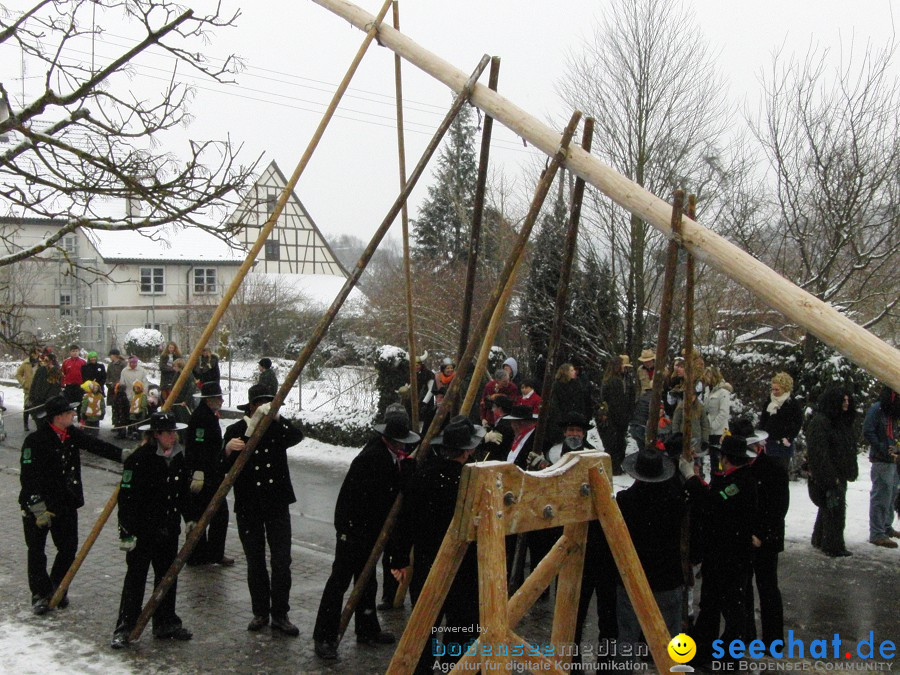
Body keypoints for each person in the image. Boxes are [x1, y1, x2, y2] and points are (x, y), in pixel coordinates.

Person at [313, 404, 417, 660]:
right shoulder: (371, 458)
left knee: (368, 581)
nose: (403, 446)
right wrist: (347, 532)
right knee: (340, 582)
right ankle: (324, 636)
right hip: (354, 530)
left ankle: (367, 629)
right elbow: (354, 500)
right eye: (399, 442)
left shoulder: (393, 456)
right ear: (388, 438)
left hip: (372, 530)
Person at [391, 415, 484, 674]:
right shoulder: (472, 482)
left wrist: (398, 558)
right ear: (466, 452)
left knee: (425, 627)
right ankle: (455, 668)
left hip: (427, 563)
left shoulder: (424, 476)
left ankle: (424, 668)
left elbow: (405, 519)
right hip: (462, 567)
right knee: (461, 629)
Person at [19, 394, 122, 615]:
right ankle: (40, 593)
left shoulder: (70, 434)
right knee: (37, 551)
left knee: (68, 549)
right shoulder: (35, 441)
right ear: (58, 417)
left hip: (65, 502)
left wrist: (123, 455)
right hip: (38, 506)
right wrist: (37, 508)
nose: (73, 415)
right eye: (69, 413)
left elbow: (96, 446)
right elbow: (28, 478)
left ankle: (57, 587)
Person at [224, 384, 304, 635]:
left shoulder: (277, 428)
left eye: (271, 403)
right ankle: (260, 612)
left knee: (282, 561)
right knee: (255, 561)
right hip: (249, 506)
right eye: (262, 403)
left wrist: (277, 417)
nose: (266, 407)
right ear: (251, 406)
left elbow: (296, 436)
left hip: (276, 504)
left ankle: (281, 614)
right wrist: (227, 449)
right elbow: (222, 467)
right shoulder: (236, 430)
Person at [111, 412, 194, 648]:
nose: (173, 436)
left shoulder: (178, 457)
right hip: (143, 532)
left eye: (174, 432)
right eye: (169, 433)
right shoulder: (138, 459)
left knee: (167, 578)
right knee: (136, 579)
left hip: (168, 530)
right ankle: (125, 627)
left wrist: (190, 518)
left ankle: (165, 622)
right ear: (156, 435)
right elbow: (126, 500)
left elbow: (182, 493)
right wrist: (126, 531)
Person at [689, 435, 758, 667]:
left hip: (730, 555)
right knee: (711, 605)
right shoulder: (734, 478)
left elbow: (714, 502)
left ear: (727, 459)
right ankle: (705, 651)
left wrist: (692, 480)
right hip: (720, 554)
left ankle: (729, 655)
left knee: (731, 608)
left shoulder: (739, 483)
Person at [616, 443, 684, 644]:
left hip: (634, 575)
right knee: (672, 639)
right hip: (667, 576)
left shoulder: (625, 500)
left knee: (627, 637)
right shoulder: (675, 501)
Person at [732, 418, 789, 647]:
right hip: (744, 537)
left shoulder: (774, 470)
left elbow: (778, 508)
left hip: (766, 538)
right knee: (743, 588)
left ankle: (773, 639)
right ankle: (746, 635)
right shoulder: (740, 468)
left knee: (767, 588)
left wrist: (762, 535)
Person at [185, 381, 234, 567]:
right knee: (215, 513)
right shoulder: (201, 418)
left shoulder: (207, 415)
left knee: (206, 514)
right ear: (210, 399)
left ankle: (201, 553)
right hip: (205, 475)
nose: (221, 400)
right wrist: (198, 471)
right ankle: (206, 553)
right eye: (218, 398)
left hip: (210, 472)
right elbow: (198, 447)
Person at [806, 389, 858, 556]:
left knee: (829, 507)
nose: (846, 404)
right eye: (843, 400)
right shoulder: (821, 422)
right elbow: (819, 453)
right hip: (828, 473)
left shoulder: (838, 421)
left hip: (837, 472)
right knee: (834, 509)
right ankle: (833, 545)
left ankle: (820, 538)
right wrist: (829, 478)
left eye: (848, 400)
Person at [863, 386, 900, 548]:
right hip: (881, 460)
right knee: (881, 495)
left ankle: (886, 526)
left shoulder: (895, 412)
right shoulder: (877, 409)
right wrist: (882, 447)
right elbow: (868, 431)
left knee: (892, 494)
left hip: (894, 460)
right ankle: (877, 532)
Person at [759, 372, 804, 476]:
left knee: (781, 474)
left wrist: (789, 437)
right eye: (773, 389)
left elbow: (798, 422)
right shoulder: (769, 401)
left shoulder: (792, 403)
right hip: (768, 443)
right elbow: (763, 420)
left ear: (785, 389)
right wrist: (761, 436)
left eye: (777, 389)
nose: (774, 392)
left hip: (783, 444)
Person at [600, 356, 630, 475]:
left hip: (615, 415)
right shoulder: (614, 381)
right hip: (616, 416)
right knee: (616, 443)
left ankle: (615, 466)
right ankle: (615, 467)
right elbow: (616, 401)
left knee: (615, 442)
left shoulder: (610, 380)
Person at [703, 365, 732, 473]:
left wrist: (714, 425)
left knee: (718, 458)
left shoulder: (723, 392)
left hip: (719, 431)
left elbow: (724, 412)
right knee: (712, 458)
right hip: (709, 429)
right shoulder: (707, 390)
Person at [17, 347, 40, 431]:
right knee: (27, 406)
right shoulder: (26, 363)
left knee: (37, 407)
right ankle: (25, 424)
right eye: (34, 354)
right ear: (31, 354)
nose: (36, 356)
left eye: (37, 354)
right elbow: (18, 374)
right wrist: (23, 383)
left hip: (38, 389)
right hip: (28, 388)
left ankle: (38, 423)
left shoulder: (40, 363)